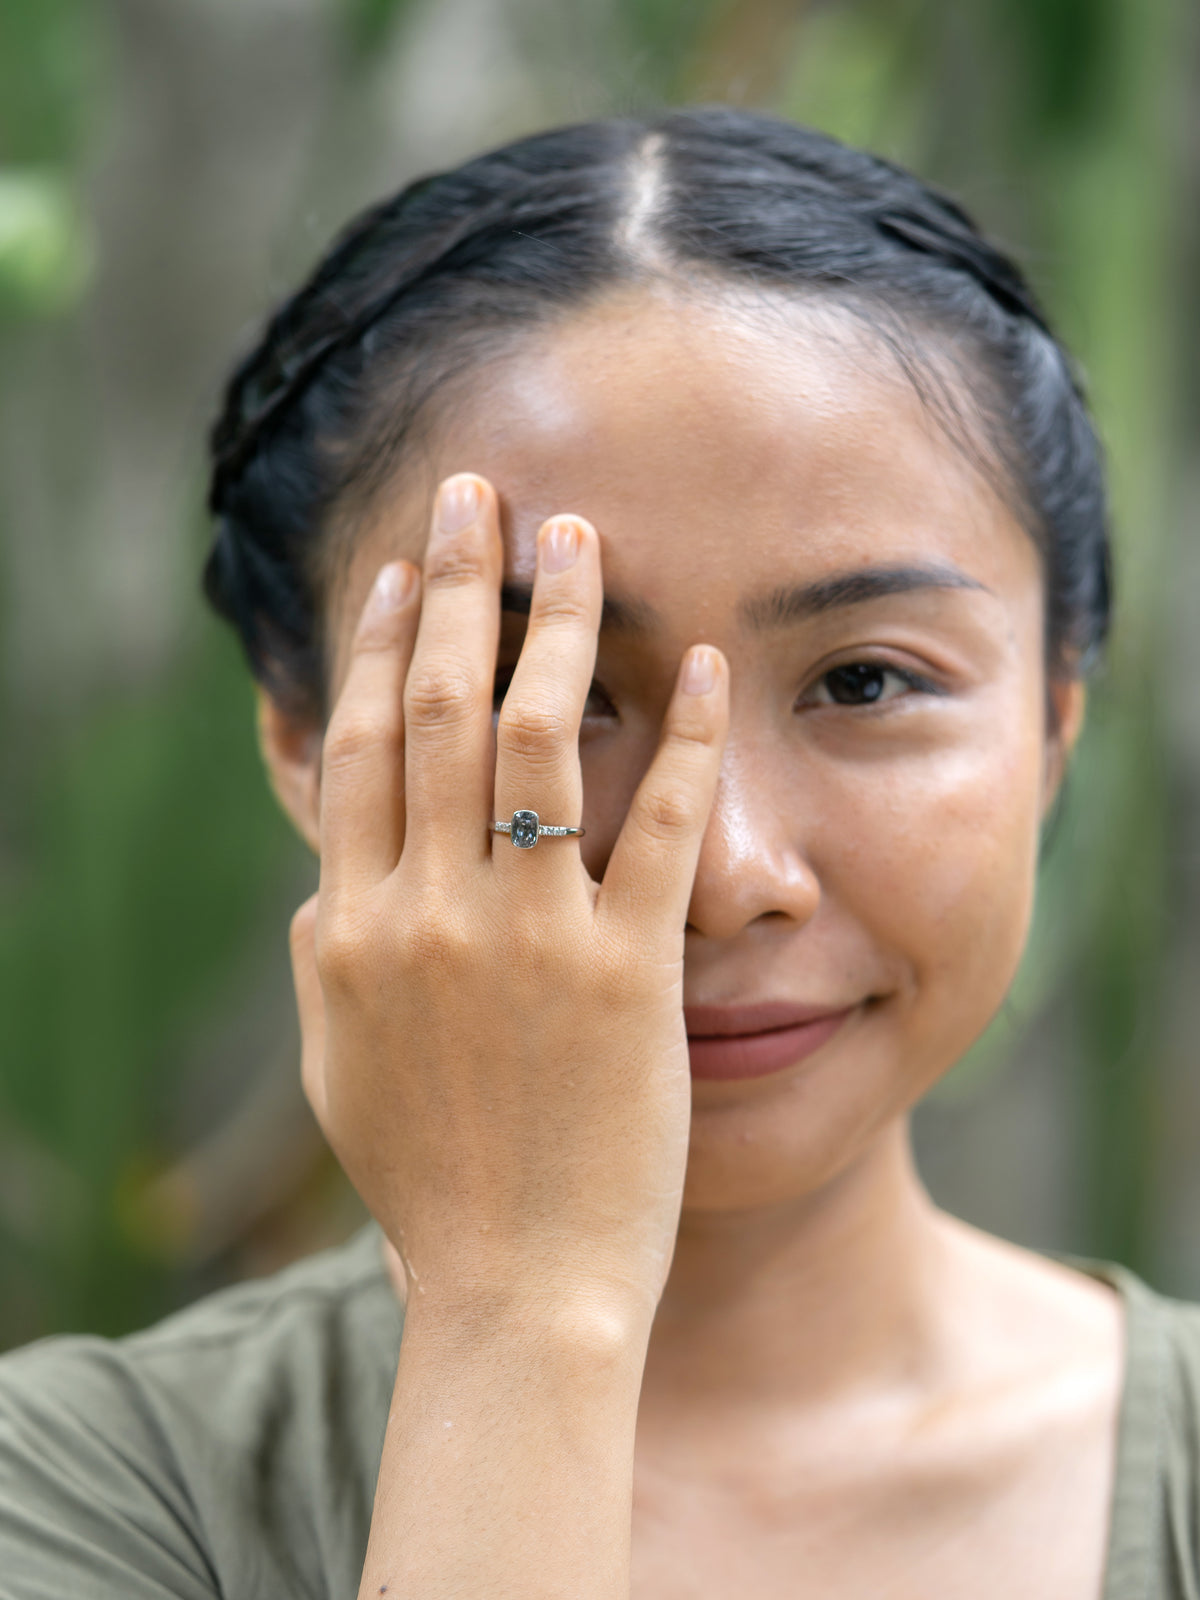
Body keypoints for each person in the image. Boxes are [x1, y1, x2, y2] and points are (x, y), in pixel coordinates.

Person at [1, 105, 1197, 1600]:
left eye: (866, 682)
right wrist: (520, 1312)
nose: (725, 870)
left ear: (1056, 721)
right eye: (540, 696)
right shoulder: (82, 1495)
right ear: (306, 745)